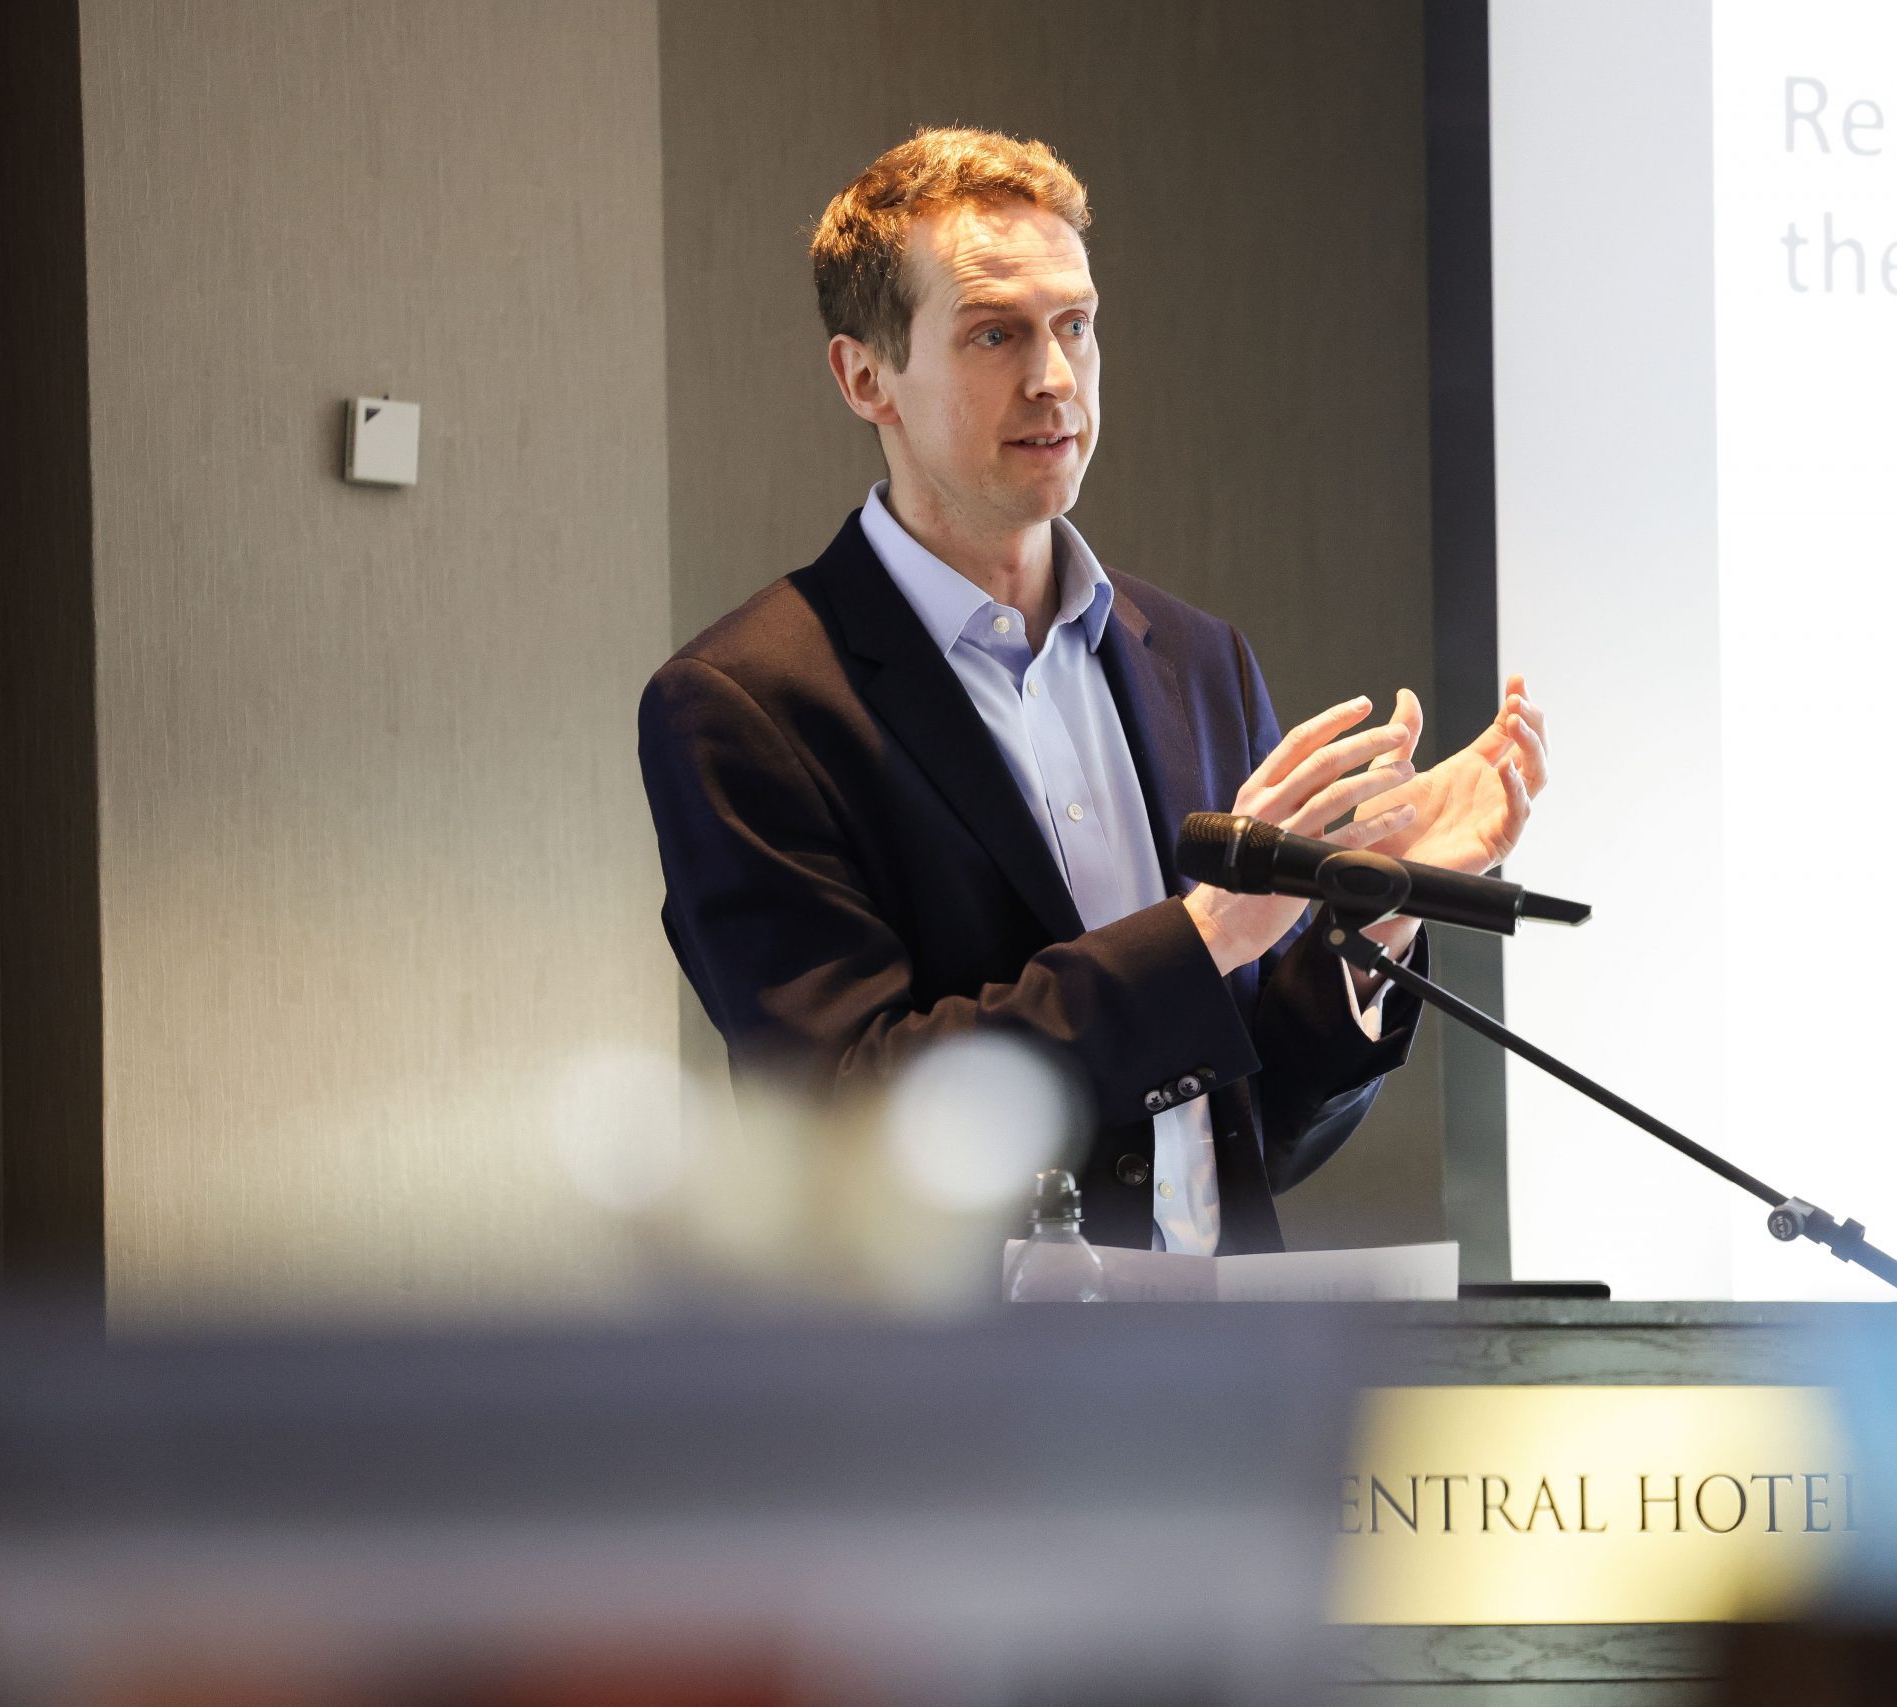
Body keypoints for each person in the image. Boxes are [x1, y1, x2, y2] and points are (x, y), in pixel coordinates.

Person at [637, 128, 1549, 1253]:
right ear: (865, 376)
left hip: (1222, 1376)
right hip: (960, 1395)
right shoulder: (746, 703)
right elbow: (850, 1119)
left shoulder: (1198, 661)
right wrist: (1200, 937)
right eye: (992, 334)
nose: (1053, 377)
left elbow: (1254, 1137)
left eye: (1075, 324)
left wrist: (1380, 914)